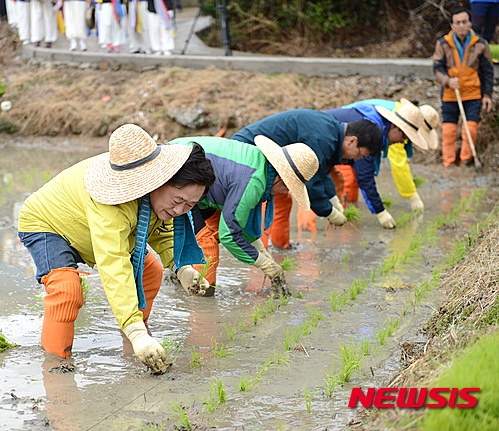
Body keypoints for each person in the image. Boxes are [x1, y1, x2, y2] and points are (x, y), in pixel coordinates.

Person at [17, 124, 216, 374]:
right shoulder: (112, 198)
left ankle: (137, 336)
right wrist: (135, 330)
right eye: (177, 201)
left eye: (190, 205)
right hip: (49, 223)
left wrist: (180, 267)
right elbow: (114, 264)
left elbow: (162, 230)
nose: (180, 211)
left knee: (149, 273)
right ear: (158, 183)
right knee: (66, 291)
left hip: (89, 229)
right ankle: (57, 365)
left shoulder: (155, 193)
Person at [166, 135, 319, 293]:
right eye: (288, 188)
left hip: (201, 187)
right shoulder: (254, 181)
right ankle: (202, 300)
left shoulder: (263, 166)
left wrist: (264, 255)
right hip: (179, 170)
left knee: (212, 229)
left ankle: (178, 275)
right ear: (281, 179)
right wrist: (264, 264)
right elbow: (230, 236)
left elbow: (238, 223)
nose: (285, 192)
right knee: (206, 242)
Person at [231, 109, 382, 249]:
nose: (357, 159)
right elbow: (310, 184)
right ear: (352, 141)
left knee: (282, 201)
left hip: (267, 159)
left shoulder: (331, 133)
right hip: (248, 152)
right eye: (360, 154)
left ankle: (279, 249)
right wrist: (329, 212)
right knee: (261, 205)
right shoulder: (323, 139)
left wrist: (333, 198)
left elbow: (321, 170)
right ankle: (259, 261)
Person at [325, 99, 432, 229]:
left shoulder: (381, 126)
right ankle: (308, 233)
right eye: (404, 137)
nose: (402, 141)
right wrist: (380, 212)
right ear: (395, 127)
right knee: (312, 186)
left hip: (332, 150)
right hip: (319, 143)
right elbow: (365, 177)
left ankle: (338, 228)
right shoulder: (371, 132)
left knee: (335, 186)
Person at [433, 7, 494, 168]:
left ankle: (466, 161)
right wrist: (447, 80)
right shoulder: (443, 44)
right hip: (450, 93)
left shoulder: (481, 44)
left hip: (473, 93)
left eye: (464, 22)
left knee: (471, 129)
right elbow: (437, 69)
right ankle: (449, 164)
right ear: (452, 25)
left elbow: (488, 71)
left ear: (470, 23)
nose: (461, 25)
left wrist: (487, 95)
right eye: (457, 22)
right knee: (448, 131)